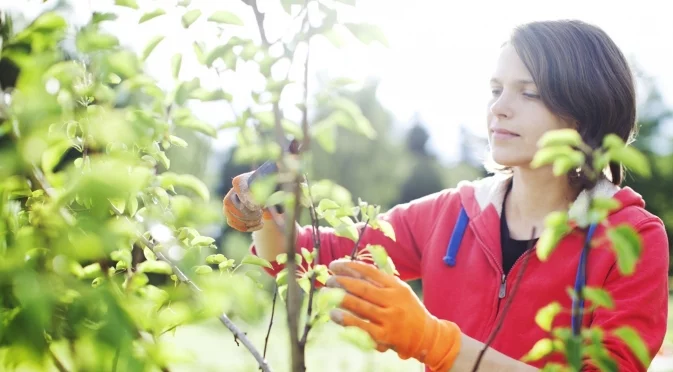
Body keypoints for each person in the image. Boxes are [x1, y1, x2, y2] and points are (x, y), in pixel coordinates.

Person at [222, 19, 670, 372]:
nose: (498, 107)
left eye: (528, 92)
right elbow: (311, 257)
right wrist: (261, 213)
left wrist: (434, 341)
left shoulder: (632, 239)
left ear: (583, 111)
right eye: (495, 90)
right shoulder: (454, 213)